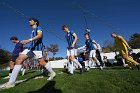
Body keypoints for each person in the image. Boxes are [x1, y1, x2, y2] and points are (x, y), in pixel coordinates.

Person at [0, 18, 56, 89]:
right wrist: (28, 41)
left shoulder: (39, 28)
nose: (29, 21)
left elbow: (39, 36)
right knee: (18, 60)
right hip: (30, 48)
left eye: (31, 20)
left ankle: (52, 72)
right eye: (29, 21)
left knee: (42, 63)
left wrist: (28, 40)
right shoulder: (32, 31)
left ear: (35, 22)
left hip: (37, 49)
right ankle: (11, 82)